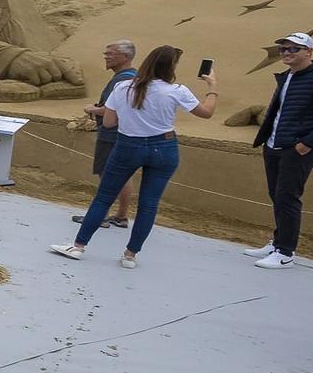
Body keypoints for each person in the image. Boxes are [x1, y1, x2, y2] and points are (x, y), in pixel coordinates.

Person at [50, 46, 217, 269]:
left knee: (104, 197)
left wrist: (130, 116)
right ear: (171, 68)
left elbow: (109, 122)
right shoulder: (176, 90)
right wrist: (212, 88)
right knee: (149, 204)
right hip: (164, 146)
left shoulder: (123, 87)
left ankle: (79, 246)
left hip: (129, 144)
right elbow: (206, 112)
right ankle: (130, 254)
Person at [247, 32, 313, 269]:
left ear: (308, 52)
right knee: (277, 195)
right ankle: (277, 242)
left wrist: (308, 143)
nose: (287, 53)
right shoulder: (288, 76)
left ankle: (285, 252)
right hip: (275, 144)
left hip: (297, 148)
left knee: (287, 197)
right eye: (283, 49)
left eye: (293, 49)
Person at [72, 41, 139, 230]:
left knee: (107, 175)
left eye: (111, 53)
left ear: (126, 57)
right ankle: (121, 216)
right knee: (123, 175)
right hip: (126, 133)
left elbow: (111, 110)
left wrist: (92, 109)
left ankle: (100, 216)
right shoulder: (134, 77)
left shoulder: (121, 80)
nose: (106, 56)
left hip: (111, 134)